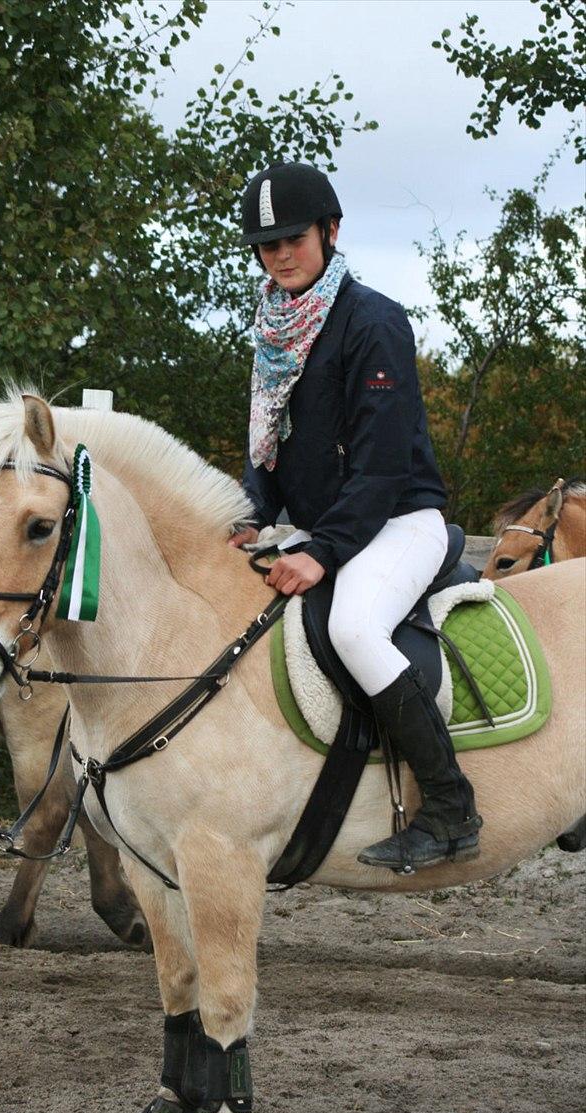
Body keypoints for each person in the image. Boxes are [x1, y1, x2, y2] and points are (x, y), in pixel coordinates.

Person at [229, 162, 482, 874]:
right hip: (330, 526)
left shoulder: (373, 321)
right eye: (266, 243)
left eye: (293, 238)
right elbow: (267, 445)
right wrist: (249, 514)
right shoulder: (273, 327)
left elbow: (380, 467)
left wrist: (322, 552)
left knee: (352, 626)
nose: (279, 254)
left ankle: (450, 807)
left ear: (331, 232)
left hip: (400, 520)